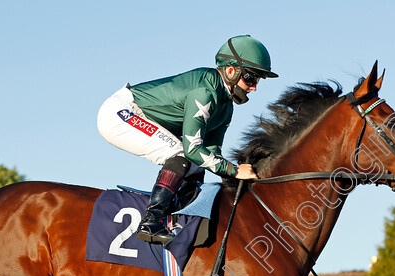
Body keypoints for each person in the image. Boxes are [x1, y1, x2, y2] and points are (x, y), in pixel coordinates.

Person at [97, 35, 278, 244]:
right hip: (121, 112)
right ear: (231, 71)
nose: (254, 87)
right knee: (182, 155)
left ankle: (182, 218)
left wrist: (234, 179)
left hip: (140, 115)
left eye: (256, 81)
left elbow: (211, 155)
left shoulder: (226, 107)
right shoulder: (204, 91)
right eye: (251, 79)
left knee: (196, 166)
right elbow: (192, 148)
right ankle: (151, 221)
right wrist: (234, 170)